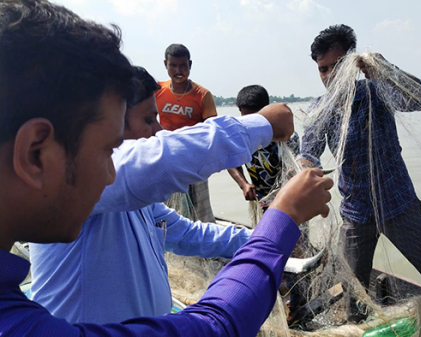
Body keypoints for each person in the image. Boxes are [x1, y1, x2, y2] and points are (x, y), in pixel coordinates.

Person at [0, 1, 333, 336]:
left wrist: (261, 237)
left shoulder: (128, 204)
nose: (157, 132)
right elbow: (214, 326)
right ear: (35, 154)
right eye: (110, 147)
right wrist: (262, 136)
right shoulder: (101, 188)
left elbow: (190, 234)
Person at [28, 67, 279, 324]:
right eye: (149, 119)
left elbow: (189, 234)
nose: (159, 130)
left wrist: (269, 237)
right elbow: (159, 158)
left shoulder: (138, 199)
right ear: (111, 125)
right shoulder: (77, 177)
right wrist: (263, 124)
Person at [297, 24, 421, 323]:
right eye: (322, 69)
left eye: (336, 67)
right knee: (353, 290)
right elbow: (308, 151)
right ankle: (355, 326)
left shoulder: (376, 92)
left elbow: (419, 99)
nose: (329, 76)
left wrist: (385, 70)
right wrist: (305, 168)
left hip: (399, 205)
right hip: (356, 212)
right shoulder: (321, 108)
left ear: (353, 62)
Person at [155, 43, 217, 222]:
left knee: (200, 211)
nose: (178, 70)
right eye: (173, 65)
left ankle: (206, 245)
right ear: (165, 65)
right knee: (166, 210)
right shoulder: (157, 90)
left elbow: (212, 133)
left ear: (190, 65)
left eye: (183, 65)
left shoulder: (202, 95)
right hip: (166, 158)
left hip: (194, 161)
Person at [227, 85, 300, 210]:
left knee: (295, 229)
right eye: (247, 119)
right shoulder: (240, 137)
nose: (251, 124)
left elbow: (299, 163)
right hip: (260, 202)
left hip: (290, 201)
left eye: (255, 119)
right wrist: (244, 184)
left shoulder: (285, 134)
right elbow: (231, 161)